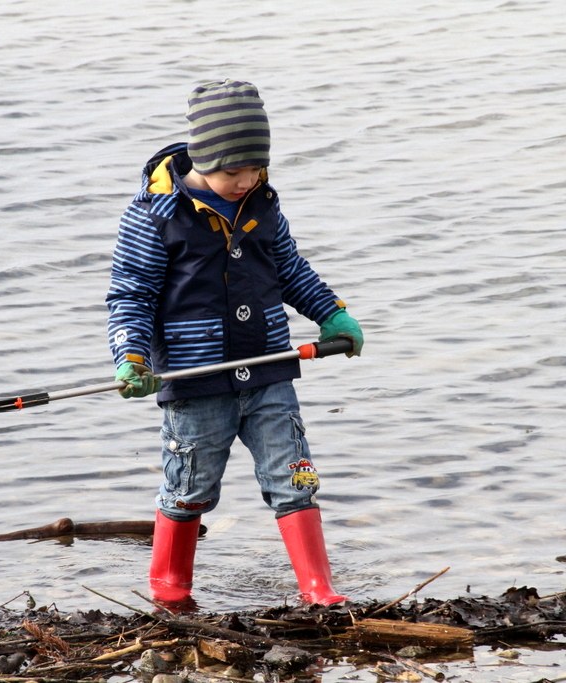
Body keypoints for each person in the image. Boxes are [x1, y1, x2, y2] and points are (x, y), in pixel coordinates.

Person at [105, 79, 364, 607]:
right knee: (189, 486)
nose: (245, 180)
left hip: (269, 372)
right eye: (232, 172)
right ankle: (169, 588)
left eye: (256, 168)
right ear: (203, 159)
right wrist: (131, 356)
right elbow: (130, 294)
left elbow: (289, 269)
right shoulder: (157, 215)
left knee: (295, 477)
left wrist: (331, 313)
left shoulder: (261, 203)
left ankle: (318, 587)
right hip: (196, 383)